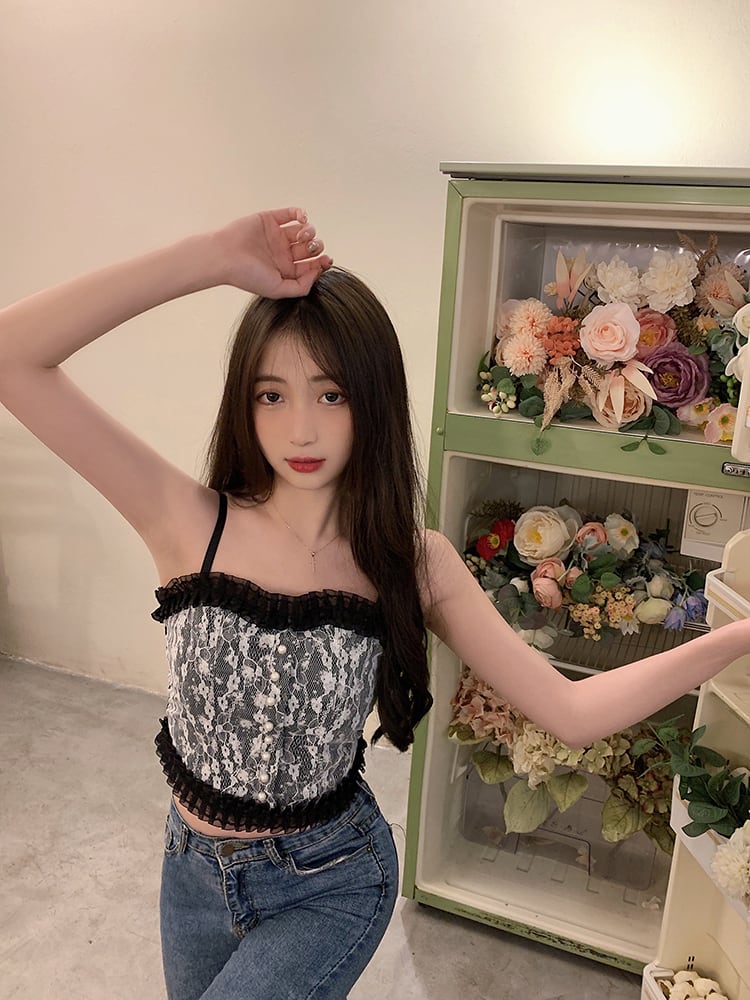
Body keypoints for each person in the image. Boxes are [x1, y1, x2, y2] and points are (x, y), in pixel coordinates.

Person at [0, 206, 749, 1000]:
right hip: (190, 876)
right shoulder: (186, 523)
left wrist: (735, 635)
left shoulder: (411, 561)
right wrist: (212, 257)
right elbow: (14, 356)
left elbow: (572, 711)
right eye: (270, 395)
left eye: (331, 395)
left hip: (331, 881)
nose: (300, 428)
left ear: (372, 400)